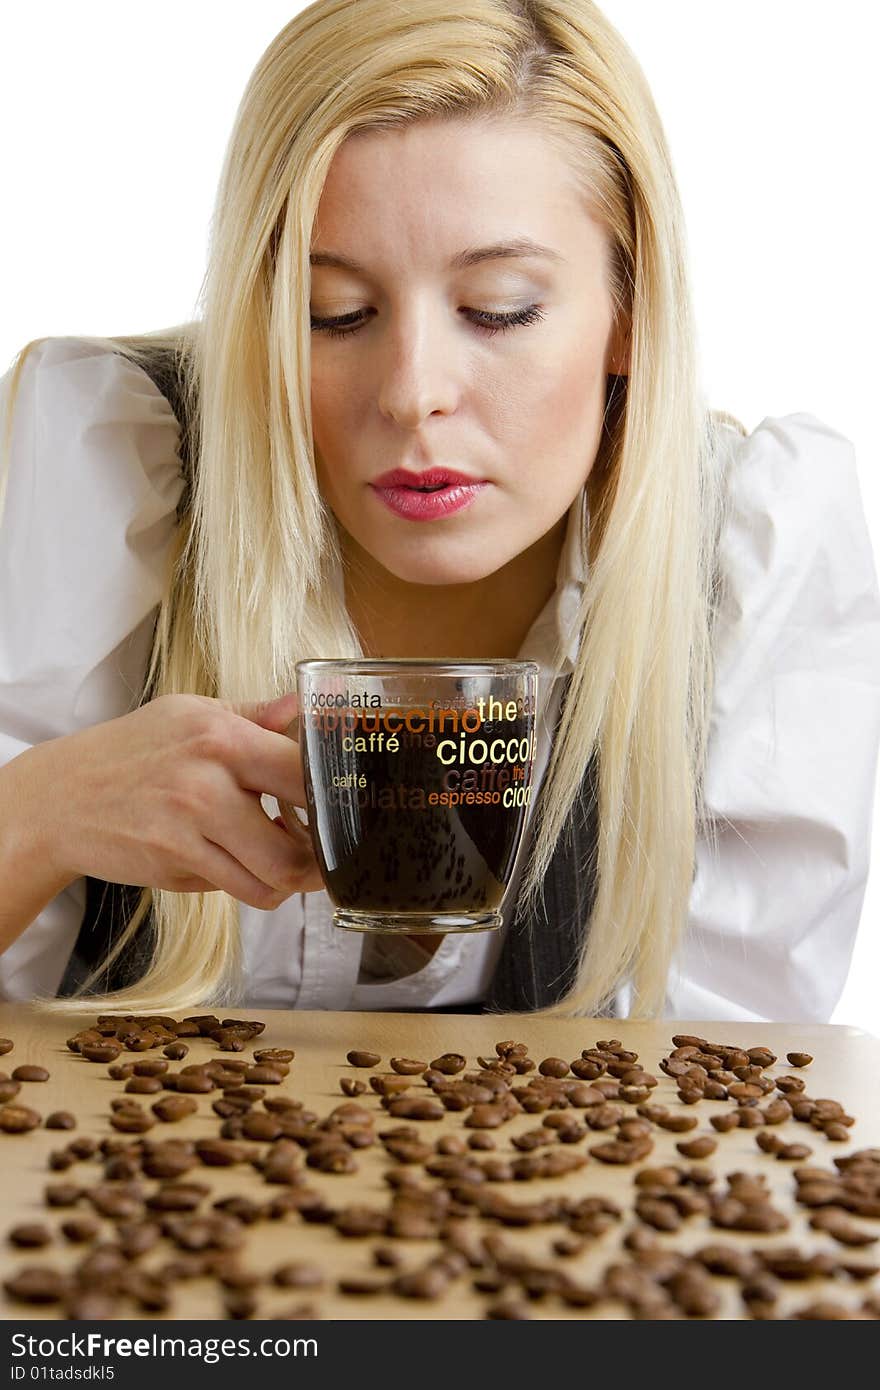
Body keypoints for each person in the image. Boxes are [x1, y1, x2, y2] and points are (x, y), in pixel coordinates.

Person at [1, 0, 879, 1021]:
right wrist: (35, 815)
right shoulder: (111, 456)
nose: (413, 391)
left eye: (498, 307)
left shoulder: (755, 547)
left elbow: (730, 1092)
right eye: (335, 314)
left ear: (629, 311)